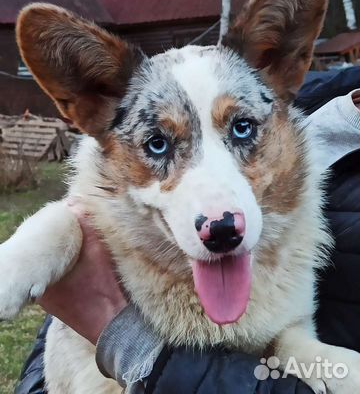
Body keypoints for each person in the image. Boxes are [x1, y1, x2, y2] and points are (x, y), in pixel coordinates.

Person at [15, 67, 360, 394]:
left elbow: (279, 349)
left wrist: (128, 341)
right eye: (158, 143)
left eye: (242, 127)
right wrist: (48, 247)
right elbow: (72, 280)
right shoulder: (287, 88)